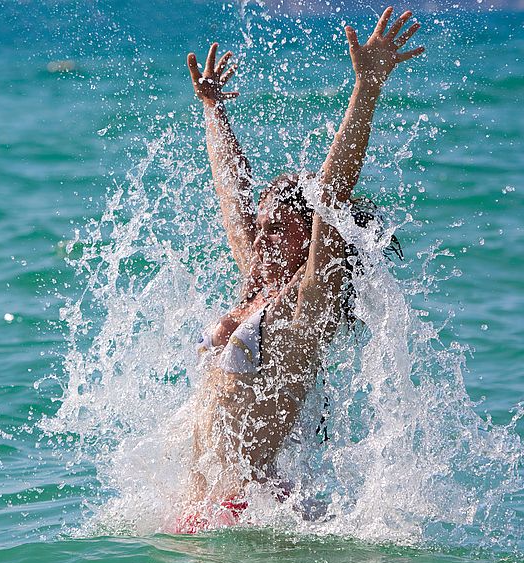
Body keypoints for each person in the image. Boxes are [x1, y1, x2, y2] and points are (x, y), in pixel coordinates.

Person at [176, 7, 424, 533]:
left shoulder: (308, 301)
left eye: (277, 227)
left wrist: (367, 90)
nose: (260, 236)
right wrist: (213, 110)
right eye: (261, 226)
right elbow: (233, 197)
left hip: (251, 517)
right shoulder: (260, 286)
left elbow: (332, 192)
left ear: (310, 234)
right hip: (216, 513)